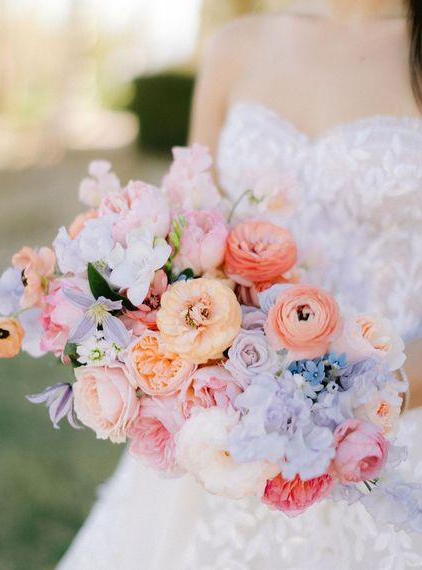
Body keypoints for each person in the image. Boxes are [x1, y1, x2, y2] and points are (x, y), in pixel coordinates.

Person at [58, 1, 422, 568]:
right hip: (226, 420)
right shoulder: (236, 45)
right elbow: (192, 220)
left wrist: (353, 406)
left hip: (387, 424)